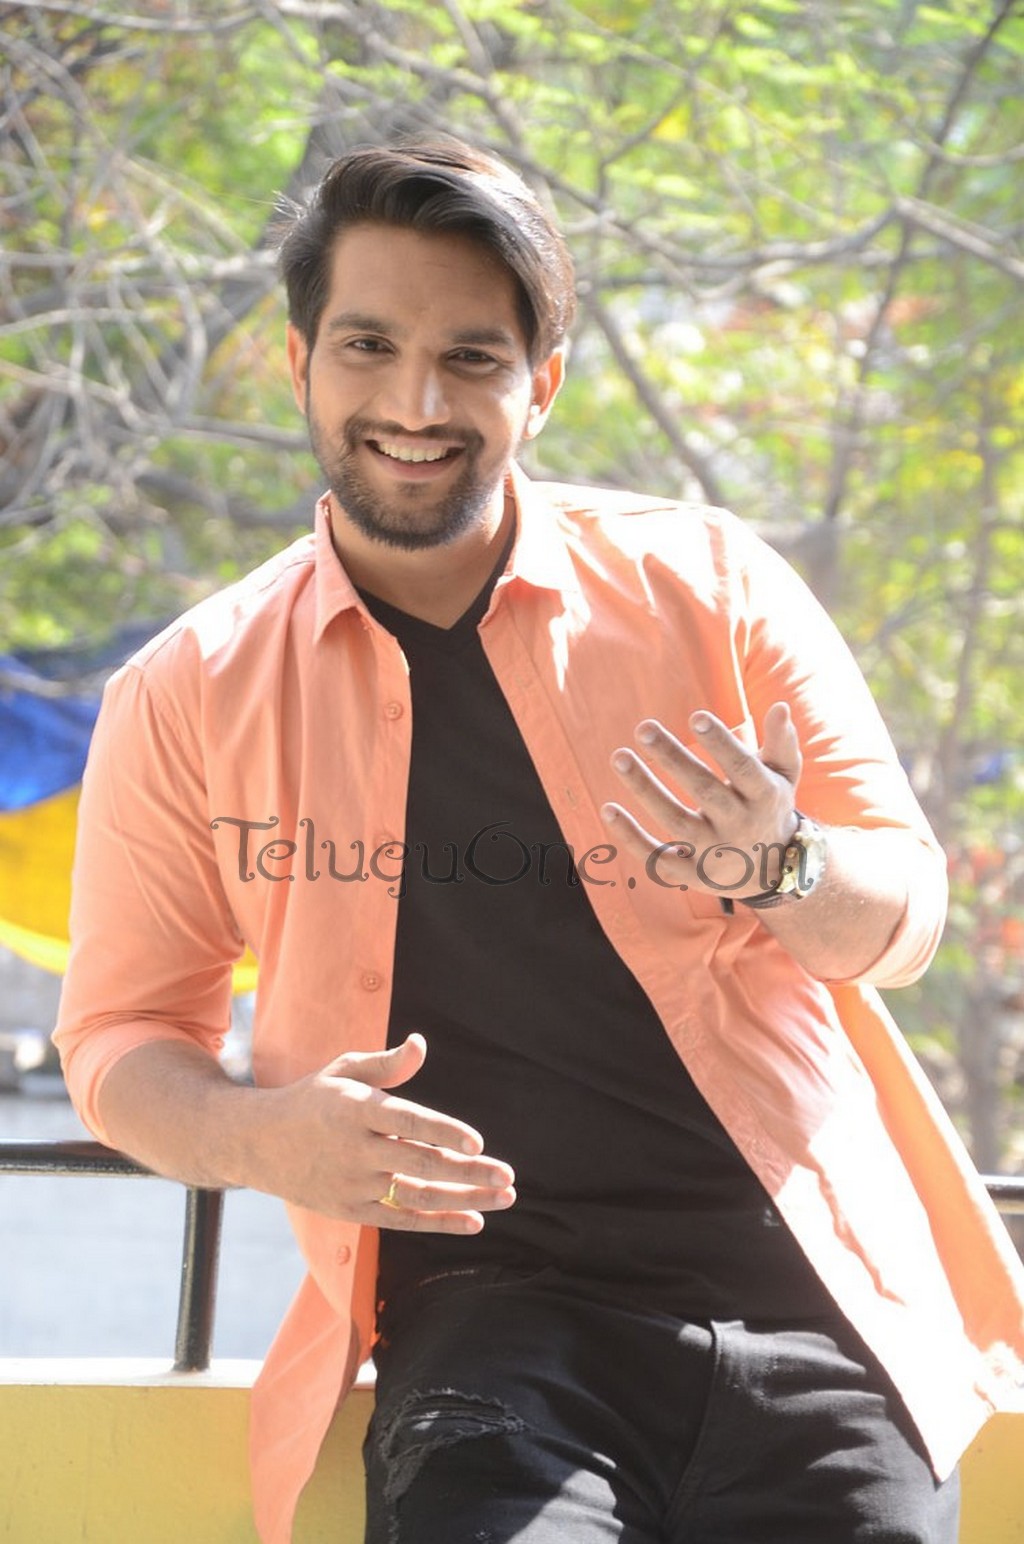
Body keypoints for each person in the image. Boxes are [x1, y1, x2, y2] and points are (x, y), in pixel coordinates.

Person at [55, 138, 1023, 1544]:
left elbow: (907, 917)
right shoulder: (189, 690)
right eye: (370, 348)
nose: (414, 404)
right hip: (493, 1330)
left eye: (471, 359)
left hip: (815, 1299)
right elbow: (120, 1035)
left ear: (542, 383)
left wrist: (782, 866)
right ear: (300, 363)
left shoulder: (715, 588)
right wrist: (264, 1139)